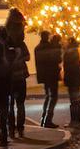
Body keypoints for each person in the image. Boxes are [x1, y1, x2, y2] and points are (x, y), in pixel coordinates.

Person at [4, 8, 31, 138]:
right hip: (20, 77)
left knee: (10, 104)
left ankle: (11, 129)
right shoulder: (21, 43)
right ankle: (20, 128)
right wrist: (20, 58)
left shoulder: (5, 43)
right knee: (20, 103)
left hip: (9, 77)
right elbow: (28, 57)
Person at [35, 30, 62, 128]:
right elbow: (57, 59)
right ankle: (48, 119)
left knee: (48, 96)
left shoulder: (37, 48)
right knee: (53, 97)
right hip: (52, 75)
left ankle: (44, 118)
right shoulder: (49, 47)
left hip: (44, 76)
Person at [63, 36, 80, 128]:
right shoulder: (75, 52)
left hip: (72, 80)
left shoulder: (69, 53)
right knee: (76, 100)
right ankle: (77, 121)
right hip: (76, 79)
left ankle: (75, 121)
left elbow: (68, 68)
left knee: (74, 101)